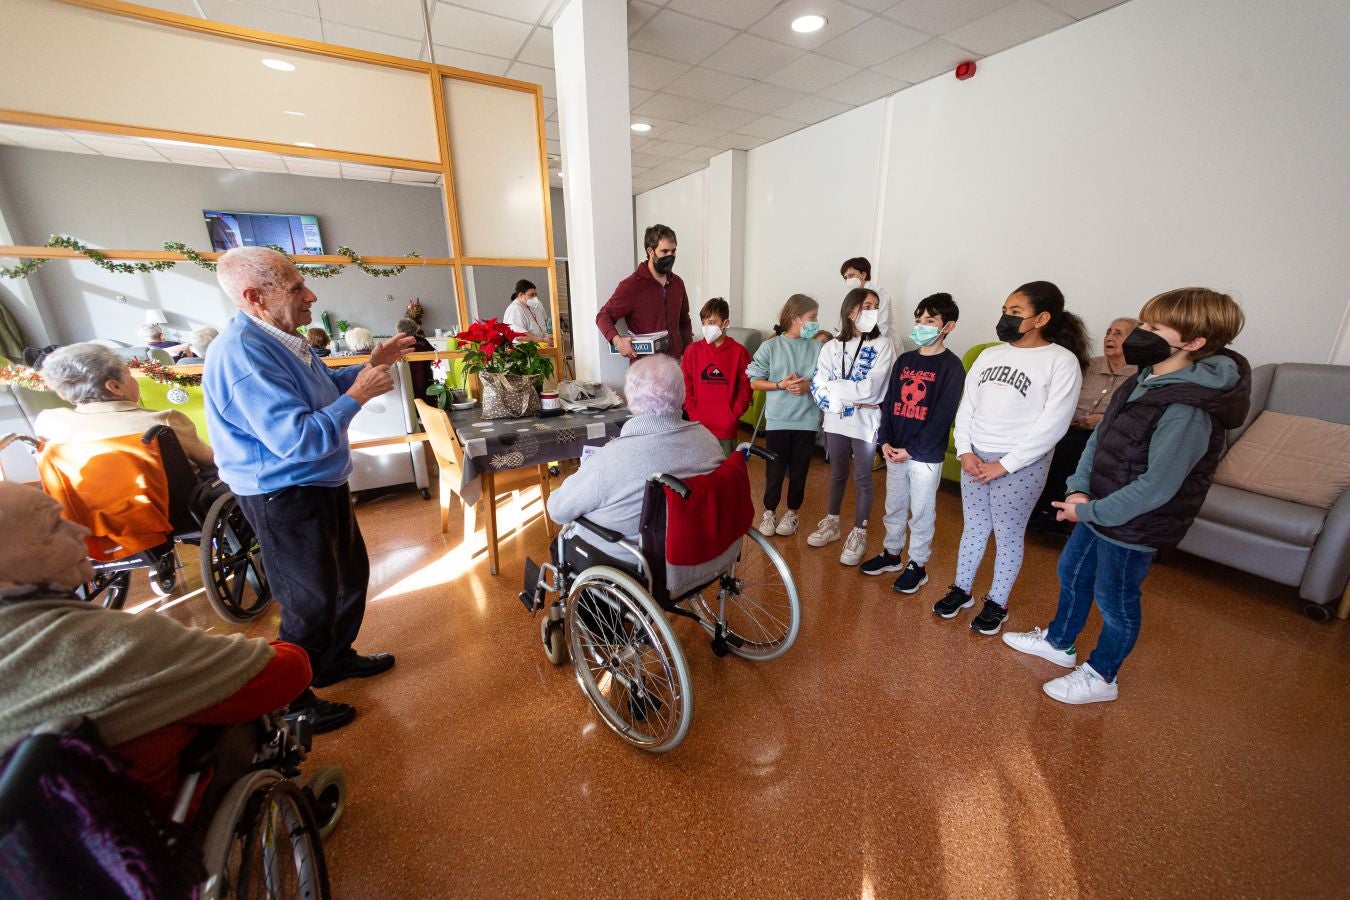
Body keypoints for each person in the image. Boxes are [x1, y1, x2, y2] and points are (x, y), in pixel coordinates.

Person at [204, 246, 416, 732]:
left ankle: (332, 661)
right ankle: (292, 699)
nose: (311, 295)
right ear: (255, 296)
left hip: (321, 482)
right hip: (285, 492)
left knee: (348, 578)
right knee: (310, 598)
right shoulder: (243, 355)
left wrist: (366, 367)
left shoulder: (278, 338)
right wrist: (358, 396)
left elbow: (320, 387)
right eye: (296, 287)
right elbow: (297, 440)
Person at [0, 481, 313, 809]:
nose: (79, 529)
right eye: (54, 525)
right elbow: (287, 671)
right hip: (140, 819)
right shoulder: (113, 643)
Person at [1003, 288, 1249, 704]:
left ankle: (1102, 676)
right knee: (1073, 573)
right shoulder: (1146, 378)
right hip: (1098, 507)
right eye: (1144, 322)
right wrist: (1079, 489)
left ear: (1193, 343)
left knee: (1115, 600)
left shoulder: (1189, 408)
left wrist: (1092, 510)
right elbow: (1100, 437)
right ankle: (1060, 642)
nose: (1141, 333)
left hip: (1134, 523)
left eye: (1153, 328)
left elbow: (1158, 486)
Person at [936, 280, 1089, 635]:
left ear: (1042, 318)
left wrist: (1004, 464)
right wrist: (965, 451)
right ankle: (961, 589)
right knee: (973, 526)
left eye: (1015, 313)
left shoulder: (1061, 362)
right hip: (977, 457)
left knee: (1007, 534)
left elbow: (1054, 424)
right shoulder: (991, 355)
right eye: (1005, 311)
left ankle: (997, 602)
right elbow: (968, 406)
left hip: (1020, 463)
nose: (1005, 318)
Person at [547, 354, 723, 538]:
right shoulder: (708, 439)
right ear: (682, 393)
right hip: (701, 550)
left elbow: (558, 510)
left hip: (635, 560)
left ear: (630, 399)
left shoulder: (610, 459)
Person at [861, 293, 965, 592]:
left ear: (948, 326)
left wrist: (912, 450)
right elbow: (890, 401)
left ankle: (917, 565)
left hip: (923, 456)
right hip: (895, 450)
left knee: (920, 511)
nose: (921, 326)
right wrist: (885, 442)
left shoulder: (951, 367)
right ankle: (892, 554)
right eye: (919, 320)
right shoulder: (905, 360)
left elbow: (943, 415)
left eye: (930, 321)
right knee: (894, 505)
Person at [807, 289, 894, 565]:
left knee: (864, 478)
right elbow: (817, 384)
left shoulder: (883, 345)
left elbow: (871, 389)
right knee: (837, 473)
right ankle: (832, 524)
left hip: (866, 421)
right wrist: (841, 393)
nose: (872, 311)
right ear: (850, 310)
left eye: (875, 306)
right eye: (866, 305)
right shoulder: (831, 346)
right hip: (835, 418)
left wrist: (835, 387)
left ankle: (859, 531)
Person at [34, 342, 215, 475]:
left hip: (92, 518)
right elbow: (211, 461)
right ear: (115, 386)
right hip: (174, 515)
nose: (134, 380)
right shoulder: (163, 422)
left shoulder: (49, 423)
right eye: (129, 375)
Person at [1029, 317, 1139, 533]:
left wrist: (1103, 420)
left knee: (1068, 451)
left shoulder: (1139, 374)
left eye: (1118, 333)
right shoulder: (1089, 365)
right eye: (1109, 331)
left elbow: (1134, 413)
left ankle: (1054, 512)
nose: (1109, 336)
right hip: (1069, 425)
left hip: (1105, 434)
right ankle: (1034, 507)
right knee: (1040, 444)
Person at [746, 294, 825, 538]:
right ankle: (769, 511)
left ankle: (792, 514)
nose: (815, 322)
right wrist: (780, 385)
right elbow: (754, 382)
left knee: (800, 471)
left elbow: (825, 381)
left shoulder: (818, 348)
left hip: (807, 421)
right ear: (795, 318)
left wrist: (807, 386)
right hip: (779, 420)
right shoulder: (771, 346)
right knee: (775, 470)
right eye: (812, 317)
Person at [596, 224, 693, 360]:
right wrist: (617, 341)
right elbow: (603, 316)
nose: (670, 256)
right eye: (664, 252)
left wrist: (687, 353)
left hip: (675, 366)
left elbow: (684, 320)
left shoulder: (678, 284)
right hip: (645, 370)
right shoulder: (632, 285)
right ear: (650, 251)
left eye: (673, 251)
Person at [681, 297, 752, 455]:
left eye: (712, 322)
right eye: (704, 322)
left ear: (725, 323)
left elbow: (746, 389)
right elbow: (686, 384)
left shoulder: (739, 353)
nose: (707, 327)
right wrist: (693, 412)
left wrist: (732, 415)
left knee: (725, 473)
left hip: (725, 428)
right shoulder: (692, 351)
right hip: (698, 426)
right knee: (699, 474)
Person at [840, 257, 895, 351]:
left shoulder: (878, 293)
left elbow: (882, 326)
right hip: (860, 342)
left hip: (878, 344)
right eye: (845, 277)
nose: (848, 280)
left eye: (851, 275)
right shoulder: (854, 295)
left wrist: (868, 346)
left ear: (863, 274)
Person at [397, 316, 436, 403]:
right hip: (425, 379)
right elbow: (433, 354)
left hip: (404, 380)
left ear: (399, 330)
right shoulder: (422, 341)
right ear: (414, 329)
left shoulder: (397, 343)